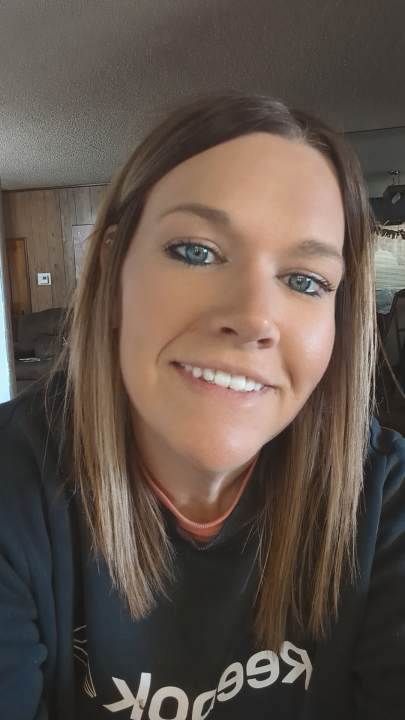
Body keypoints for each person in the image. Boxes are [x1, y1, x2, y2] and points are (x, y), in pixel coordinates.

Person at [0, 94, 404, 720]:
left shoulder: (386, 499)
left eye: (305, 280)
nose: (253, 319)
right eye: (196, 251)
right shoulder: (13, 487)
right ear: (111, 275)